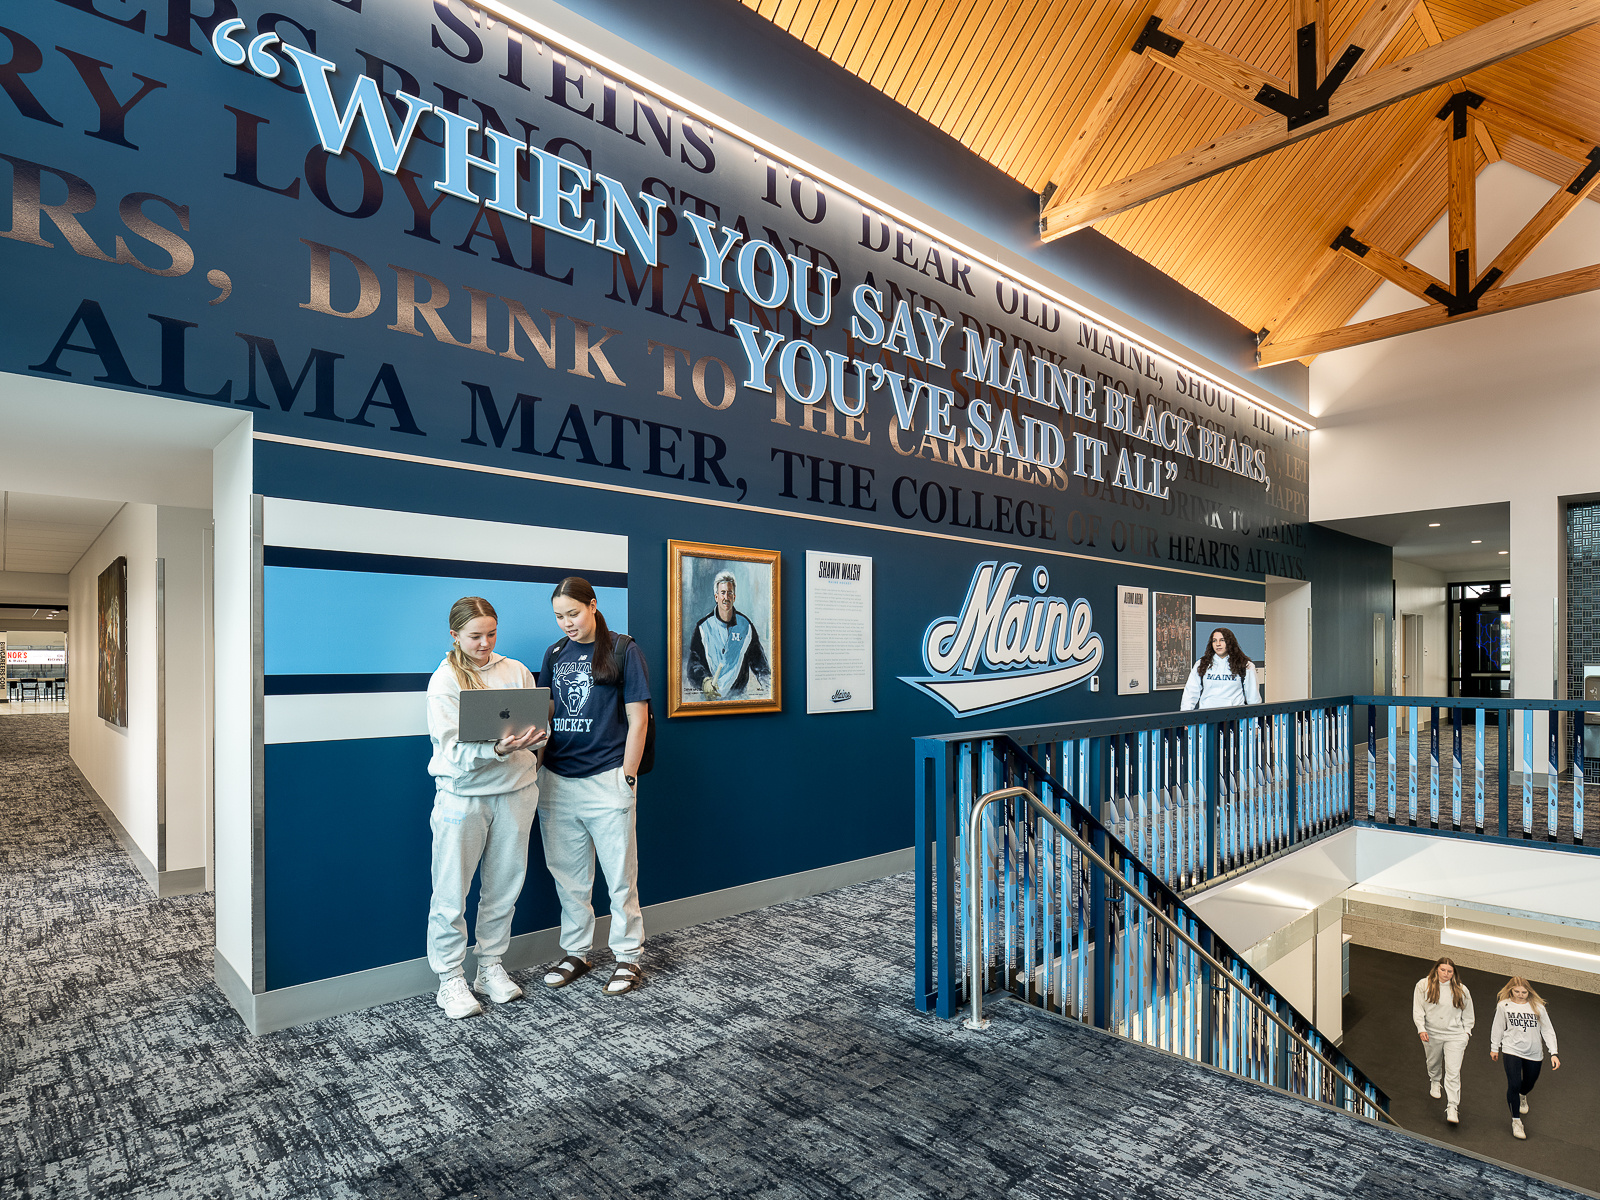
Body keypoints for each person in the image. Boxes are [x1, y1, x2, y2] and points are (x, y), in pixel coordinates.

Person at [425, 596, 547, 1020]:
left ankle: (490, 966)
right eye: (475, 636)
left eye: (491, 634)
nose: (485, 643)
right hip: (464, 798)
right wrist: (495, 749)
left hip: (517, 791)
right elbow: (450, 750)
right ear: (455, 635)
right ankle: (449, 978)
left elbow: (538, 727)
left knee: (503, 887)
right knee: (451, 892)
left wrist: (534, 739)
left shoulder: (516, 671)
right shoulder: (444, 681)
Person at [536, 577, 651, 996]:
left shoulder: (623, 649)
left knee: (620, 878)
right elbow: (545, 715)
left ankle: (628, 956)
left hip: (606, 778)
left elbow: (638, 719)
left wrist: (627, 776)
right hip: (557, 781)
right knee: (569, 879)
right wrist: (536, 770)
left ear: (593, 605)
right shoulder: (555, 654)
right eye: (559, 616)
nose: (567, 623)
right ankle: (577, 952)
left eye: (573, 613)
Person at [1490, 976, 1561, 1140]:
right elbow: (1498, 1027)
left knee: (1529, 1083)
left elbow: (1547, 1030)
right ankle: (1516, 1121)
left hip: (1534, 1052)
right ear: (1510, 990)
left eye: (1524, 992)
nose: (1520, 995)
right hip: (1511, 1049)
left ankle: (1523, 1095)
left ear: (1529, 991)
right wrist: (1495, 1047)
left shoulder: (1538, 1007)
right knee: (1513, 1084)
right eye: (1517, 991)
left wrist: (1554, 1052)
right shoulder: (1504, 1005)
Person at [687, 570, 771, 700]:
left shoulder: (746, 626)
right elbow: (694, 664)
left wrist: (769, 690)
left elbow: (760, 664)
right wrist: (704, 682)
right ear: (716, 597)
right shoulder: (703, 627)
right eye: (722, 593)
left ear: (734, 597)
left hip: (738, 698)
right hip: (709, 700)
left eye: (730, 593)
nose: (726, 597)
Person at [1413, 956, 1476, 1125]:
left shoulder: (1461, 990)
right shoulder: (1423, 985)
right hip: (1431, 1033)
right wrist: (1421, 1028)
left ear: (1454, 973)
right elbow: (1418, 1010)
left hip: (1455, 1036)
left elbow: (1468, 1014)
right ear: (1436, 970)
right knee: (1433, 1062)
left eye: (1449, 971)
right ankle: (1435, 1081)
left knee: (1453, 1072)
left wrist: (1466, 1033)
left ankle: (1452, 1106)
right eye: (1442, 970)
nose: (1446, 974)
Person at [1180, 627, 1261, 711]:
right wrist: (1185, 715)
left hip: (1234, 715)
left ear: (1230, 642)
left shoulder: (1245, 665)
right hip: (1207, 715)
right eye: (1214, 640)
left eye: (1222, 640)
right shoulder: (1201, 664)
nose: (1218, 644)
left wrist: (1255, 717)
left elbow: (1253, 697)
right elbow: (1190, 692)